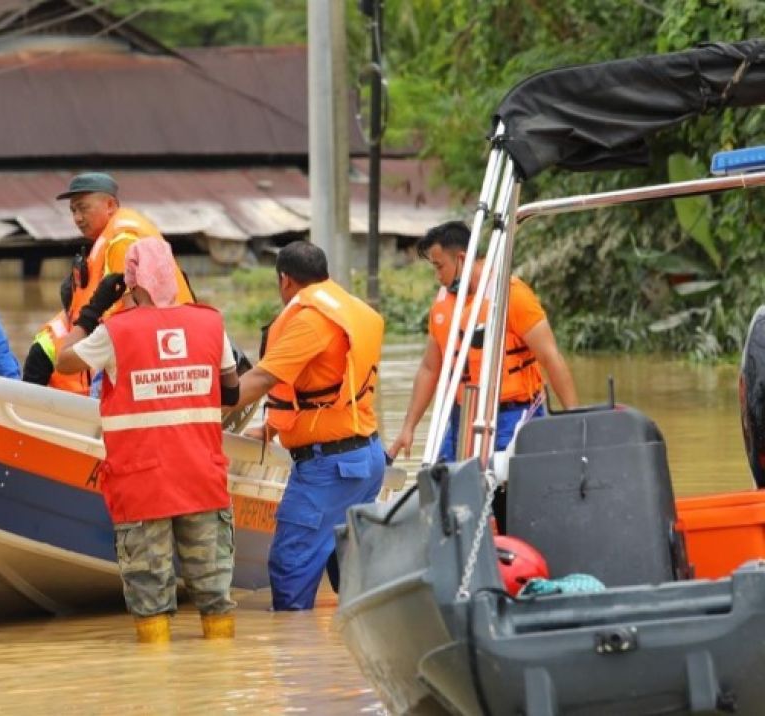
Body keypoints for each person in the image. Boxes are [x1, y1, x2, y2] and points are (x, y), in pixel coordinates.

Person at [55, 238, 240, 643]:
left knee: (149, 595)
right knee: (214, 594)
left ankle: (156, 688)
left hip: (142, 484)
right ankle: (223, 678)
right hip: (202, 477)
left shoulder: (115, 332)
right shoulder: (211, 323)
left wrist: (90, 312)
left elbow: (63, 361)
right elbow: (231, 392)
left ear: (132, 282)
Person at [231, 241, 386, 611]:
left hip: (328, 470)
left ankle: (297, 661)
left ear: (285, 280)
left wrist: (197, 407)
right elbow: (321, 387)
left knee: (290, 569)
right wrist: (270, 428)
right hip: (366, 458)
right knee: (351, 580)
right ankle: (342, 662)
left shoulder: (309, 320)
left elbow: (261, 380)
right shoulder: (353, 309)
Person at [387, 220, 579, 465]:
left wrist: (574, 421)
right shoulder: (443, 304)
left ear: (461, 259)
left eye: (439, 267)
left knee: (501, 485)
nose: (438, 277)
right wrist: (408, 427)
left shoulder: (512, 295)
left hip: (513, 413)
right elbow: (429, 368)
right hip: (463, 415)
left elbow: (551, 358)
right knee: (443, 481)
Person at [57, 172, 195, 325]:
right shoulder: (113, 236)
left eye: (83, 208)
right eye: (73, 211)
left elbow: (126, 311)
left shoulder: (122, 241)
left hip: (165, 335)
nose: (77, 218)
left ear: (110, 205)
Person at [22, 276, 90, 394]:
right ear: (70, 312)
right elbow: (28, 402)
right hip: (64, 409)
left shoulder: (114, 330)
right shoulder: (45, 346)